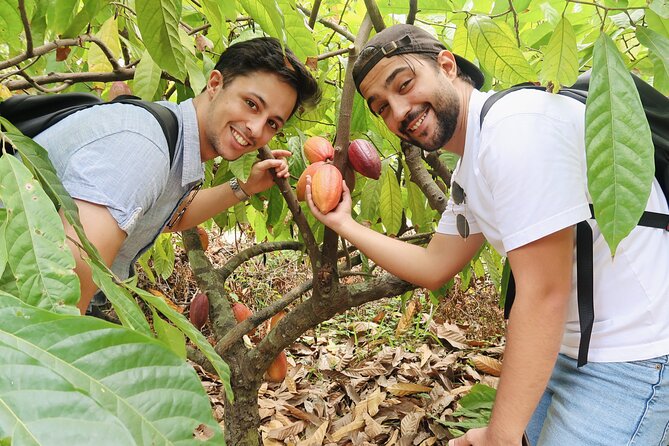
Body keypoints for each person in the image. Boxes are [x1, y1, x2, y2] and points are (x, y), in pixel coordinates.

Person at [306, 24, 669, 445]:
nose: (399, 110)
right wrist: (345, 225)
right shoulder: (473, 159)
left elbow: (543, 293)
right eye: (382, 107)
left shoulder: (514, 131)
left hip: (632, 357)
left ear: (446, 65)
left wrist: (501, 435)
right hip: (569, 352)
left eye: (405, 84)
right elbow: (433, 265)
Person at [32, 36, 320, 314]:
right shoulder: (145, 147)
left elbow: (168, 216)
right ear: (215, 83)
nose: (257, 129)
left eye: (272, 123)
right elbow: (67, 276)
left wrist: (244, 187)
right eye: (251, 104)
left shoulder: (174, 140)